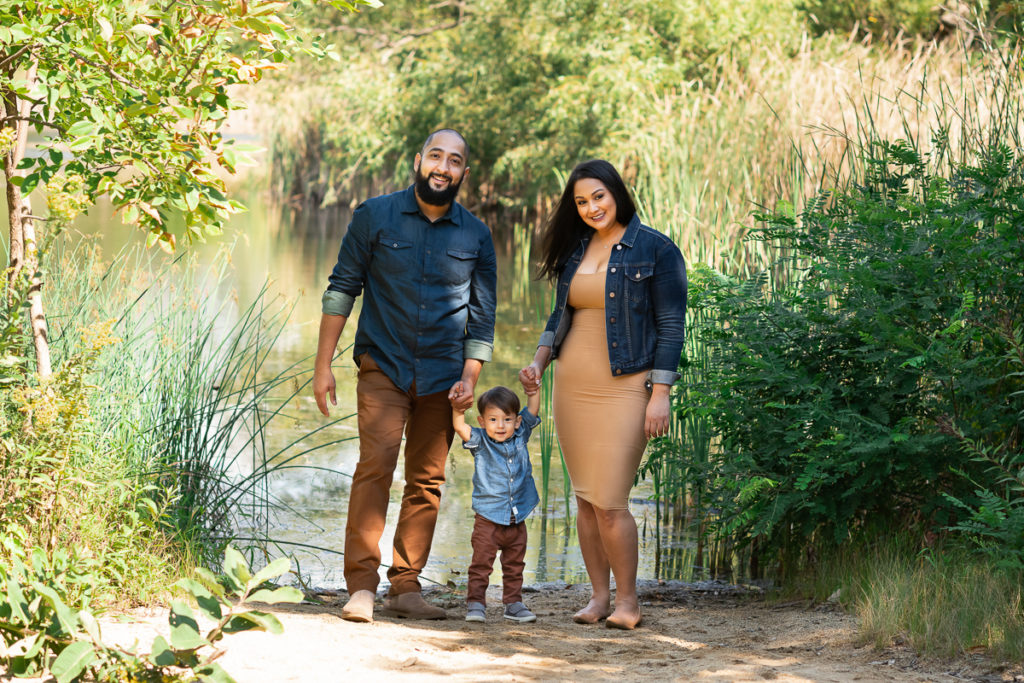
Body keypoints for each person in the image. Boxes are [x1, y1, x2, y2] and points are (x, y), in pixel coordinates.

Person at [313, 129, 497, 623]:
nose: (443, 167)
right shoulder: (375, 216)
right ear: (418, 160)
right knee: (375, 465)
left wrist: (470, 377)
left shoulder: (476, 235)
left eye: (454, 160)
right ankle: (361, 587)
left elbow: (481, 319)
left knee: (428, 480)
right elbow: (341, 289)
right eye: (436, 156)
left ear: (463, 172)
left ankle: (407, 586)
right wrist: (322, 365)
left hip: (443, 375)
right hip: (384, 365)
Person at [519, 159, 686, 630]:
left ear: (617, 193)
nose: (591, 207)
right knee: (586, 499)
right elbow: (559, 318)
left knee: (610, 498)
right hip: (573, 383)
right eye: (581, 201)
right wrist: (538, 362)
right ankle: (598, 597)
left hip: (627, 384)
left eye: (598, 196)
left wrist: (660, 393)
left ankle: (628, 602)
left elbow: (672, 327)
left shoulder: (655, 249)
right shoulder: (576, 250)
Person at [452, 385, 541, 624]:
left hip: (517, 517)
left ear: (517, 421)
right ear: (482, 421)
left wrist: (533, 390)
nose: (500, 426)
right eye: (493, 419)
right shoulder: (481, 441)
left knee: (515, 565)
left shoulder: (521, 435)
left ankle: (513, 604)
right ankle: (476, 604)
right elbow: (460, 427)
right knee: (481, 564)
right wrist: (458, 409)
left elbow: (533, 409)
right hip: (488, 519)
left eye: (507, 419)